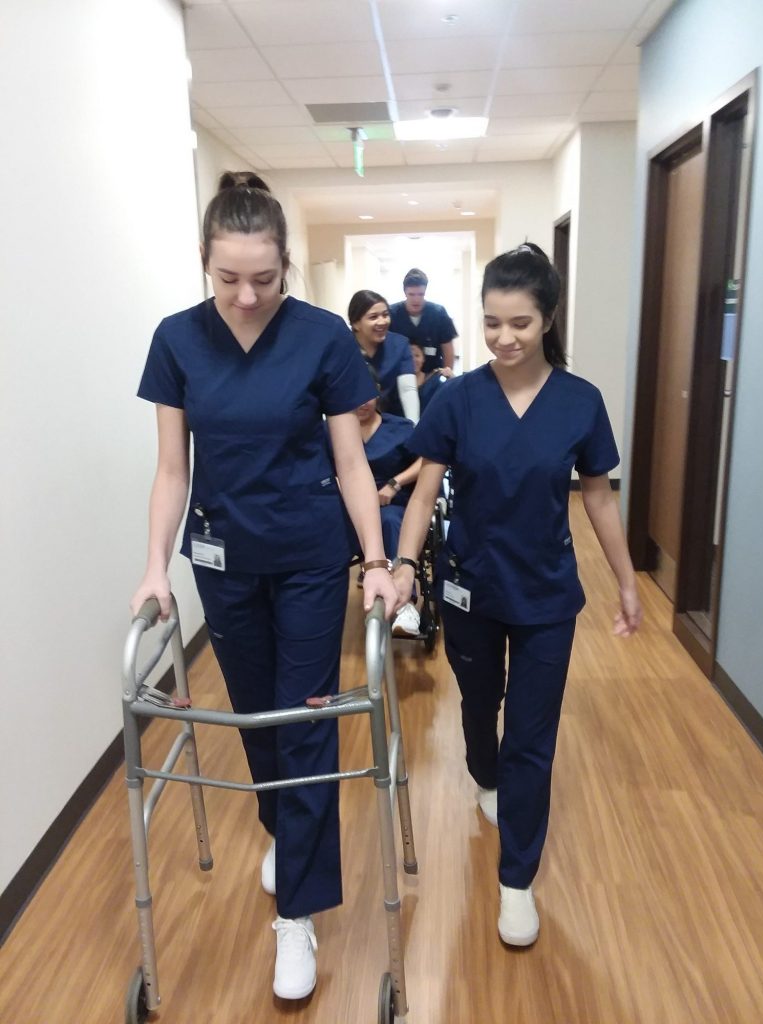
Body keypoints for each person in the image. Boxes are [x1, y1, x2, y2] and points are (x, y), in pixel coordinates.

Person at [130, 172, 398, 1002]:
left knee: (305, 720)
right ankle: (283, 823)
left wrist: (378, 559)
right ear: (205, 265)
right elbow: (173, 469)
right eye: (228, 279)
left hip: (313, 558)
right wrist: (154, 566)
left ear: (289, 267)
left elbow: (353, 461)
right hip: (223, 562)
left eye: (264, 279)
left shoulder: (320, 338)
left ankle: (298, 917)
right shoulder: (177, 340)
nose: (246, 297)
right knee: (254, 719)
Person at [391, 243, 641, 948]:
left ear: (548, 319)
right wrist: (406, 562)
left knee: (533, 739)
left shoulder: (579, 403)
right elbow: (425, 486)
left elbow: (598, 499)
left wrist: (625, 581)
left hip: (547, 597)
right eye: (493, 323)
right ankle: (482, 774)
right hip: (471, 586)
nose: (505, 338)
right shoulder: (457, 398)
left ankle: (516, 882)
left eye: (521, 323)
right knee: (479, 705)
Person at [355, 397, 422, 637]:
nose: (361, 403)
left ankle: (405, 605)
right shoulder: (336, 428)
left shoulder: (400, 428)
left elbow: (426, 459)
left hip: (390, 503)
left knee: (391, 522)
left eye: (367, 396)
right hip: (349, 507)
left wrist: (395, 483)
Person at [348, 289, 419, 422]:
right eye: (373, 317)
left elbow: (408, 390)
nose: (382, 322)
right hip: (353, 422)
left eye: (385, 315)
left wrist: (414, 426)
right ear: (356, 324)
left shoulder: (399, 345)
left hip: (391, 420)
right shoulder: (343, 347)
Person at [389, 267, 458, 374]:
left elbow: (448, 349)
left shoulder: (438, 313)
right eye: (411, 294)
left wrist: (447, 378)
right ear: (405, 292)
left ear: (425, 291)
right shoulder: (392, 314)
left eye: (420, 294)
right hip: (400, 375)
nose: (416, 300)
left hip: (432, 373)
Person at [409, 341, 454, 412]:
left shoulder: (434, 380)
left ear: (423, 358)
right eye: (409, 356)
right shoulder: (397, 383)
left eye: (417, 355)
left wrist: (452, 378)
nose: (413, 360)